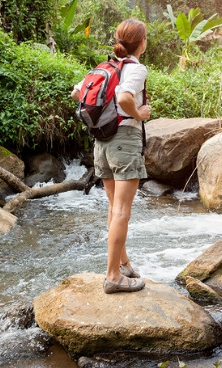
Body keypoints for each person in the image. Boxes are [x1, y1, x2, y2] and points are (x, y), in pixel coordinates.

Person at [71, 18, 151, 294]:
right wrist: (139, 113)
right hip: (124, 141)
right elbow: (125, 97)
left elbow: (77, 92)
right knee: (121, 211)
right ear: (141, 42)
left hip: (101, 143)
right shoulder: (135, 69)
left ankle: (123, 263)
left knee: (113, 208)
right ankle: (113, 276)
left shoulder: (104, 66)